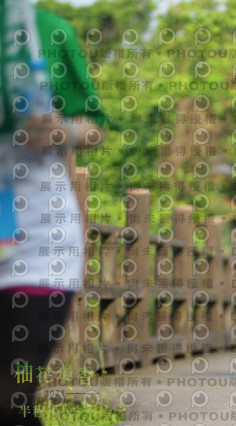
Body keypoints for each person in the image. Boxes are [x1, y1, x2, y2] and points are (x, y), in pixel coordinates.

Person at [0, 3, 106, 425]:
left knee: (12, 398)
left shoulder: (47, 29)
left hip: (37, 241)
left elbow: (93, 122)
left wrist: (63, 130)